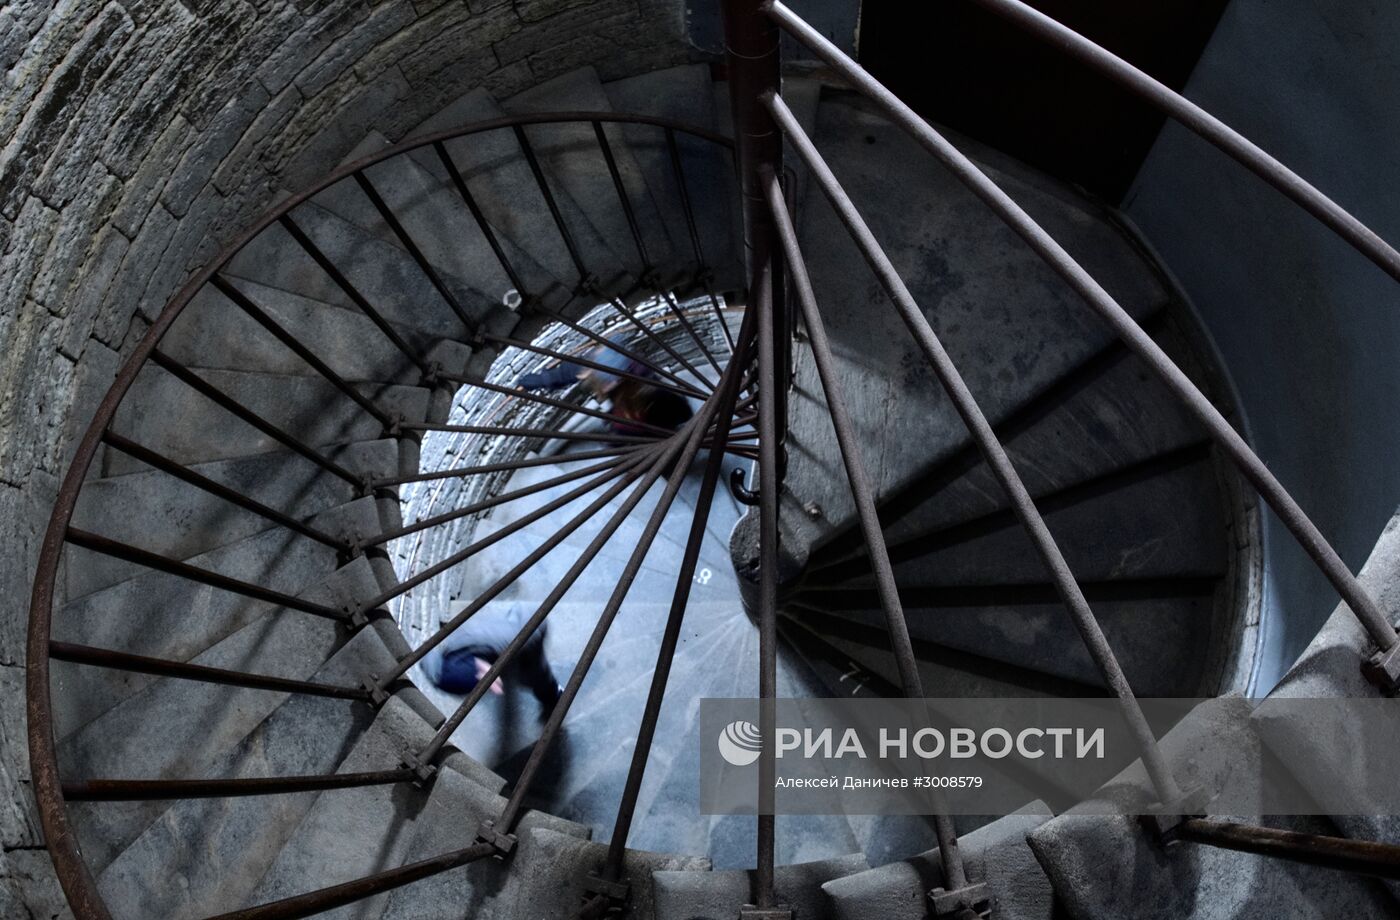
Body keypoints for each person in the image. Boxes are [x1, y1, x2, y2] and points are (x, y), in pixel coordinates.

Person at [516, 336, 694, 436]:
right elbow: (570, 372)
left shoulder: (656, 395)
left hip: (650, 430)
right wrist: (537, 381)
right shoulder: (602, 368)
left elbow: (682, 412)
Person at [422, 599, 563, 718]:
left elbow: (535, 631)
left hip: (528, 630)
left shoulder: (520, 640)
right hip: (506, 627)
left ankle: (554, 696)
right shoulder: (451, 652)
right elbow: (429, 661)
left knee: (536, 677)